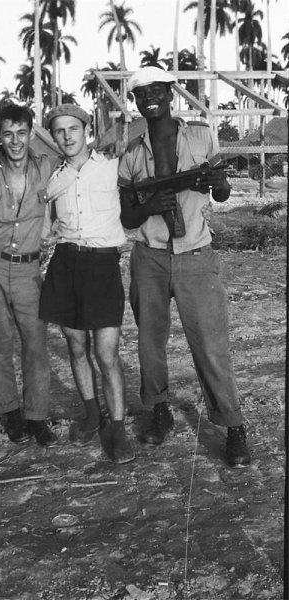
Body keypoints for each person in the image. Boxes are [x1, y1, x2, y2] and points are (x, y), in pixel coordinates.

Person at [118, 67, 251, 467]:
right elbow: (127, 216)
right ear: (135, 102)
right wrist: (148, 207)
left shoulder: (201, 134)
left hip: (196, 254)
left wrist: (214, 181)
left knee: (211, 345)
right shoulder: (131, 152)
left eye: (156, 91)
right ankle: (159, 411)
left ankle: (232, 426)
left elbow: (223, 192)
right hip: (150, 258)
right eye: (141, 94)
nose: (149, 99)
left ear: (171, 93)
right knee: (149, 343)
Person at [39, 104, 134, 465]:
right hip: (65, 263)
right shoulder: (53, 178)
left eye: (73, 129)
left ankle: (120, 428)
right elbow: (45, 224)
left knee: (106, 353)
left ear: (86, 129)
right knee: (75, 346)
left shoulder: (112, 166)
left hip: (102, 264)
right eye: (60, 131)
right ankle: (92, 414)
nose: (67, 136)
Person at [0, 103, 58, 447]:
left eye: (22, 133)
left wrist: (39, 129)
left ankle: (36, 416)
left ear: (30, 133)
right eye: (7, 133)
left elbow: (62, 147)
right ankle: (9, 412)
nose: (15, 141)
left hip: (28, 269)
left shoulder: (46, 166)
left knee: (35, 344)